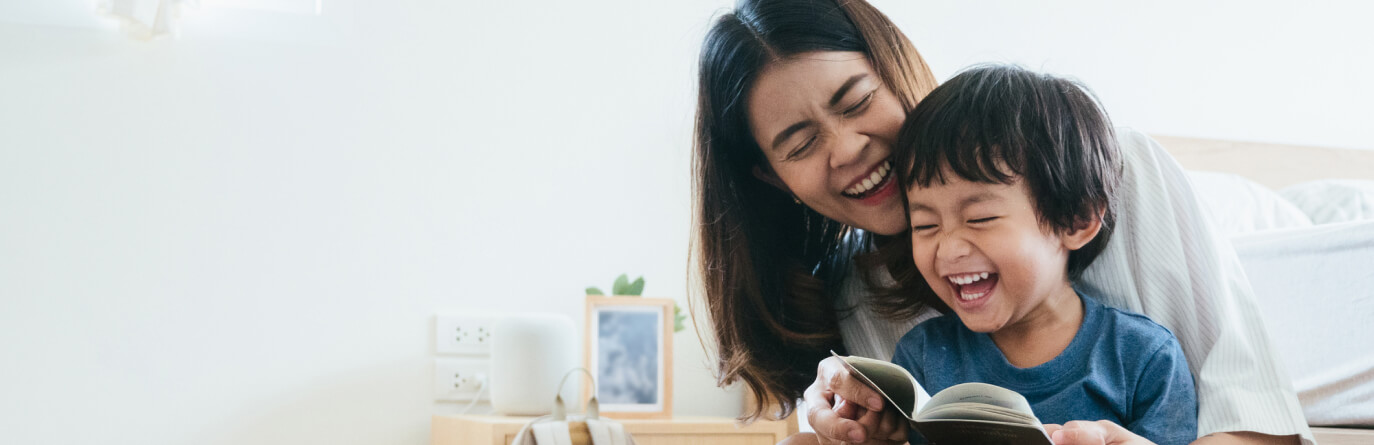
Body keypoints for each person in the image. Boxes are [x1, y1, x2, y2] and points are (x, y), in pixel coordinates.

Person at [691, 1, 1311, 445]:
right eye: (799, 146)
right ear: (772, 178)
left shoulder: (1122, 171)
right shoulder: (859, 301)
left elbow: (1255, 412)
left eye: (856, 102)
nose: (848, 148)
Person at [885, 64, 1196, 445]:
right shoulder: (922, 357)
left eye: (980, 217)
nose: (948, 248)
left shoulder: (1144, 357)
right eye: (925, 226)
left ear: (1076, 220)